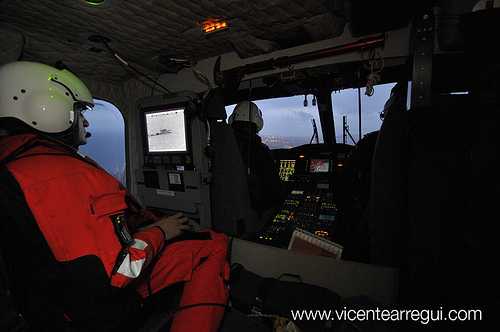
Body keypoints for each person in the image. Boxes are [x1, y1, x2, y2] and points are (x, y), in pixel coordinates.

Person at [0, 61, 229, 331]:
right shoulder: (64, 175)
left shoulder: (12, 163)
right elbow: (118, 273)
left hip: (44, 306)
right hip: (95, 311)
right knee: (212, 244)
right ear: (47, 108)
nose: (85, 122)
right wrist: (162, 231)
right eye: (78, 111)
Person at [228, 101, 284, 232]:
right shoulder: (260, 151)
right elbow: (274, 192)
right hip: (249, 218)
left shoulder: (220, 147)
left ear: (233, 119)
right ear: (257, 121)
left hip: (225, 214)